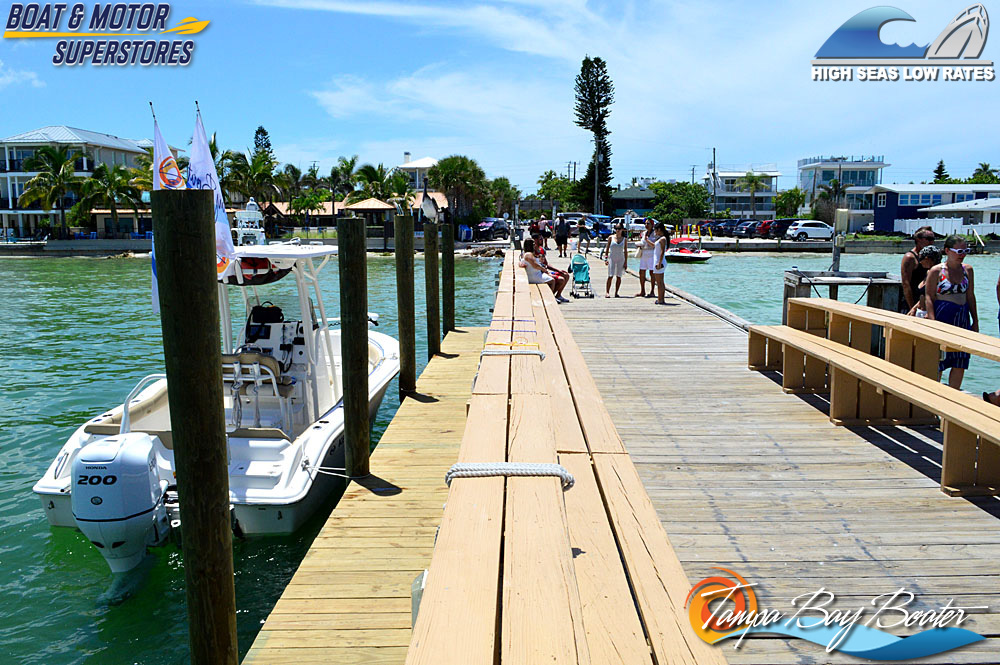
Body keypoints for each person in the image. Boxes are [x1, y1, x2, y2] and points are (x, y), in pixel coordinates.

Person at [925, 235, 978, 390]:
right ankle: (934, 395)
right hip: (942, 316)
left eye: (966, 251)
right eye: (959, 251)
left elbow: (970, 296)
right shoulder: (936, 271)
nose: (963, 255)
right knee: (939, 360)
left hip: (962, 317)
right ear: (947, 251)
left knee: (960, 359)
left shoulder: (968, 270)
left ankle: (953, 394)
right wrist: (932, 320)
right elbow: (929, 296)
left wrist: (975, 321)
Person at [901, 226, 936, 312]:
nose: (932, 242)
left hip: (926, 302)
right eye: (929, 239)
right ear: (918, 239)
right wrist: (912, 308)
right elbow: (906, 284)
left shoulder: (931, 258)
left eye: (933, 239)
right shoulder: (910, 257)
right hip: (912, 302)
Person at [906, 245, 942, 318]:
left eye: (920, 259)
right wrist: (914, 308)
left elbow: (935, 296)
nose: (920, 262)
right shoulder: (928, 272)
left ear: (927, 259)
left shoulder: (938, 274)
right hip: (920, 311)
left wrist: (929, 313)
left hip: (928, 313)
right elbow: (924, 296)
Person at [603, 223, 628, 298]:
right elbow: (607, 249)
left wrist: (626, 262)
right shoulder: (611, 237)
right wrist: (606, 258)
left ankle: (616, 292)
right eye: (616, 229)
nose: (617, 230)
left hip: (621, 259)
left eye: (619, 229)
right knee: (610, 275)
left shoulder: (624, 239)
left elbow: (625, 251)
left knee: (619, 276)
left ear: (622, 229)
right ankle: (607, 292)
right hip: (612, 258)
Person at [635, 218, 656, 297]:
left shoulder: (655, 233)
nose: (646, 225)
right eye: (645, 224)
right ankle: (642, 290)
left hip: (651, 254)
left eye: (648, 224)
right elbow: (642, 242)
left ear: (652, 225)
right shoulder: (644, 233)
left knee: (652, 273)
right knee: (641, 272)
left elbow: (655, 245)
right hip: (644, 253)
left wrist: (647, 241)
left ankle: (652, 291)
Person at [651, 222, 668, 305]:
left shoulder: (662, 239)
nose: (655, 231)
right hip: (658, 261)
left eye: (655, 230)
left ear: (659, 229)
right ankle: (661, 298)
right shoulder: (660, 238)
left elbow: (662, 251)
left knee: (659, 282)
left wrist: (659, 263)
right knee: (660, 282)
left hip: (659, 262)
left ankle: (660, 299)